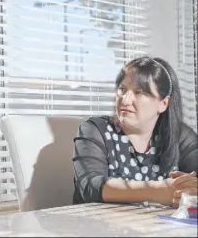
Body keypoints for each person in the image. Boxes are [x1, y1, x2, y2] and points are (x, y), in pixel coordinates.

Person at [72, 56, 197, 208]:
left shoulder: (180, 136)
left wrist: (189, 189)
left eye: (139, 92)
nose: (125, 100)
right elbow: (91, 186)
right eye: (122, 89)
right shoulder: (95, 130)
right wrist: (159, 191)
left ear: (163, 103)